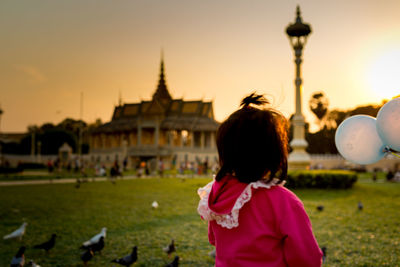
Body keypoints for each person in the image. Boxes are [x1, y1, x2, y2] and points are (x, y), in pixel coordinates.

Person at [197, 93, 322, 267]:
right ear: (275, 152)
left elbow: (214, 239)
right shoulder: (284, 201)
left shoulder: (217, 195)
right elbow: (307, 259)